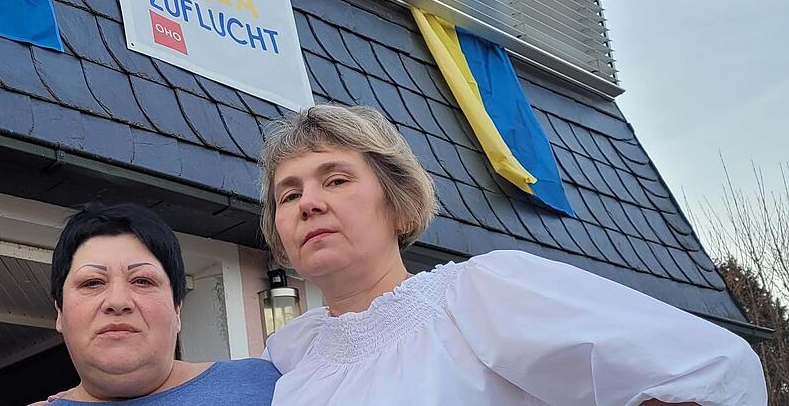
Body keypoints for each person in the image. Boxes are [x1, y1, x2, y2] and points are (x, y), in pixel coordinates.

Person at [258, 104, 766, 405]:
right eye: (289, 194)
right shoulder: (289, 354)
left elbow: (712, 370)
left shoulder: (478, 295)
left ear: (401, 206)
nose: (309, 204)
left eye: (336, 180)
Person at [44, 203, 279, 405]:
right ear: (59, 313)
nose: (118, 301)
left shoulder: (273, 386)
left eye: (142, 281)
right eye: (92, 283)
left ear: (177, 309)